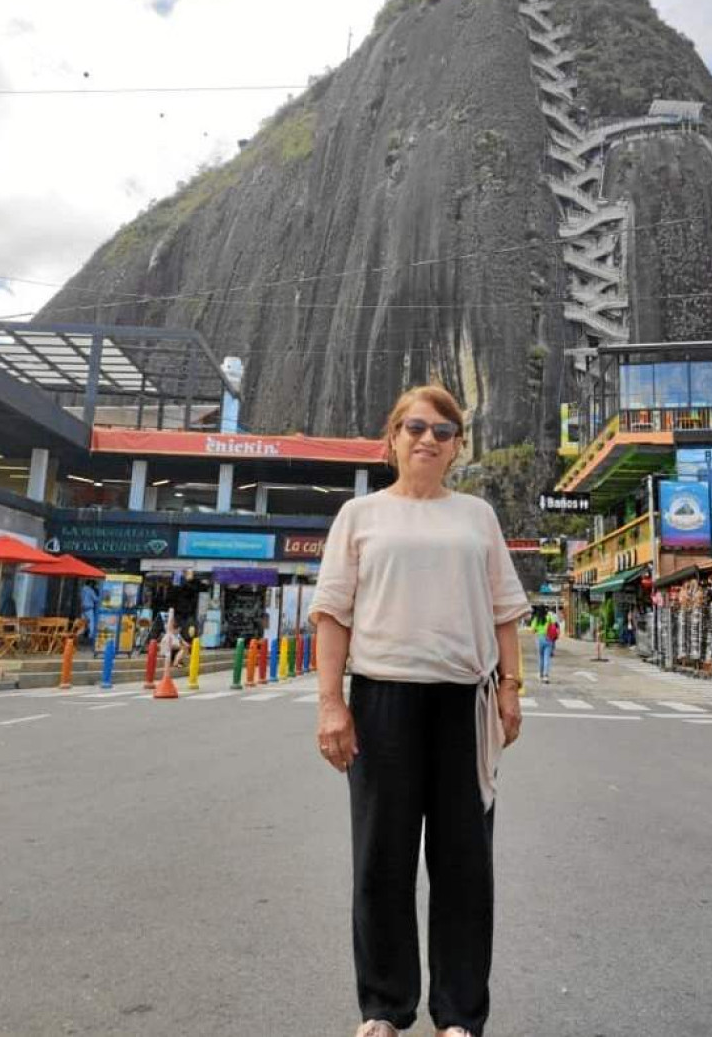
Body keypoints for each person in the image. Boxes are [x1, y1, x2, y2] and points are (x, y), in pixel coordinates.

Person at [309, 384, 529, 1037]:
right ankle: (383, 1005)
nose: (427, 438)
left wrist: (511, 687)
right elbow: (331, 615)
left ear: (457, 445)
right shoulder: (359, 515)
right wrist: (331, 703)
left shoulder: (476, 516)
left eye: (442, 429)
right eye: (414, 426)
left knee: (464, 862)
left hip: (465, 700)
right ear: (392, 438)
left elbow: (505, 611)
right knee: (381, 857)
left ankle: (458, 1014)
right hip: (382, 697)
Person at [80, 580, 100, 646]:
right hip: (89, 609)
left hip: (83, 609)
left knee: (83, 623)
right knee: (91, 623)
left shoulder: (82, 589)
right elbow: (95, 599)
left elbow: (80, 598)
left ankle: (81, 634)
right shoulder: (90, 590)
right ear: (90, 584)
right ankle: (91, 636)